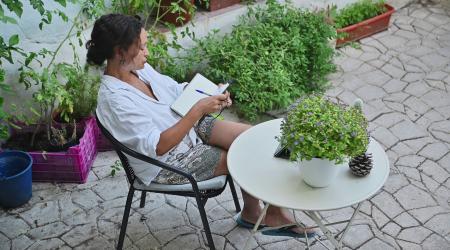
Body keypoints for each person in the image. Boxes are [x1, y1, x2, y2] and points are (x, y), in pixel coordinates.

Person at [87, 13, 315, 238]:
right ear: (120, 52)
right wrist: (198, 109)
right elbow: (158, 147)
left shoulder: (138, 69)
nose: (148, 52)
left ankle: (263, 211)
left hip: (185, 127)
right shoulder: (114, 100)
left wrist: (210, 93)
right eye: (142, 47)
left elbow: (175, 90)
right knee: (244, 155)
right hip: (166, 162)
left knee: (251, 136)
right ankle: (263, 213)